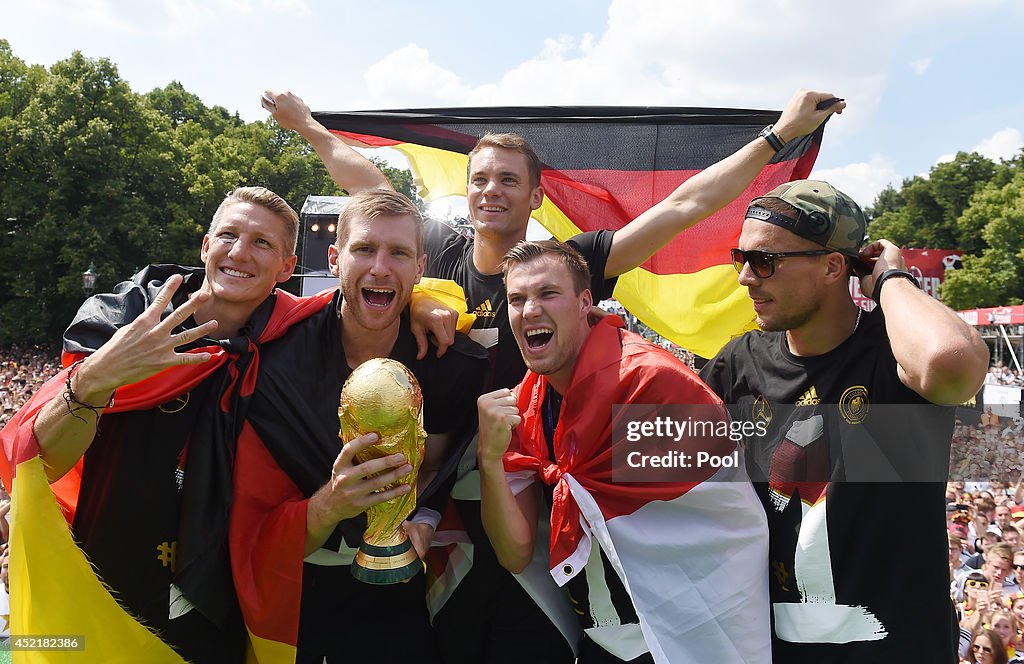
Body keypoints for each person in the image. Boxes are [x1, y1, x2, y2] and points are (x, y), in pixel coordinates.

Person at [265, 86, 843, 662]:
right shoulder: (431, 259)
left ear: (538, 197)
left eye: (509, 180)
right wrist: (308, 126)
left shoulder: (566, 265)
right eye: (481, 178)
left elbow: (683, 207)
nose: (491, 191)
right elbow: (367, 186)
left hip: (538, 499)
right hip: (437, 504)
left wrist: (776, 138)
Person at [0, 187, 341, 662]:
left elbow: (385, 286)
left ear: (287, 267)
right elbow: (46, 461)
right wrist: (98, 376)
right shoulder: (127, 317)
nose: (240, 252)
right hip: (106, 579)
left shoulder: (299, 337)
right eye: (228, 235)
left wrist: (429, 301)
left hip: (220, 601)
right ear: (205, 246)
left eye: (262, 243)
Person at [699, 180, 989, 661]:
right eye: (741, 258)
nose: (746, 278)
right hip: (774, 649)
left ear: (834, 266)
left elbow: (950, 366)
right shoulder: (740, 361)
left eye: (765, 261)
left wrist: (893, 279)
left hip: (897, 648)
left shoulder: (894, 351)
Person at [476, 240, 771, 663]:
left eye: (547, 294)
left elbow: (723, 520)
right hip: (601, 642)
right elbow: (514, 553)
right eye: (517, 299)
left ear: (584, 302)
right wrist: (489, 458)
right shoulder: (523, 407)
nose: (530, 310)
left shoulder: (650, 384)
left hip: (682, 635)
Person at [227, 188, 488, 663]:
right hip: (293, 590)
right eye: (365, 249)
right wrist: (329, 504)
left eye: (399, 254)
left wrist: (425, 515)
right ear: (334, 258)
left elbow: (442, 461)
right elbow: (252, 516)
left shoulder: (454, 363)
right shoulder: (273, 355)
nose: (381, 267)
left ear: (419, 267)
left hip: (402, 585)